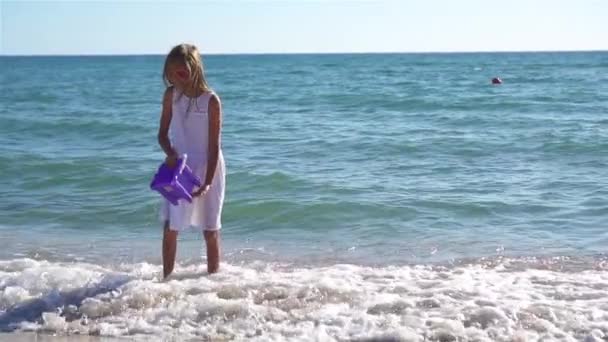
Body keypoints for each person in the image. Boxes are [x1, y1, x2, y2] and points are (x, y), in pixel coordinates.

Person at [157, 43, 225, 278]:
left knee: (210, 228)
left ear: (194, 70)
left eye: (181, 73)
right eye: (170, 74)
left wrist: (207, 182)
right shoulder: (171, 96)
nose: (176, 79)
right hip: (179, 169)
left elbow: (214, 146)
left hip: (209, 166)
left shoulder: (211, 101)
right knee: (170, 227)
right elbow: (162, 134)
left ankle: (213, 282)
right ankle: (166, 280)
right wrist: (170, 154)